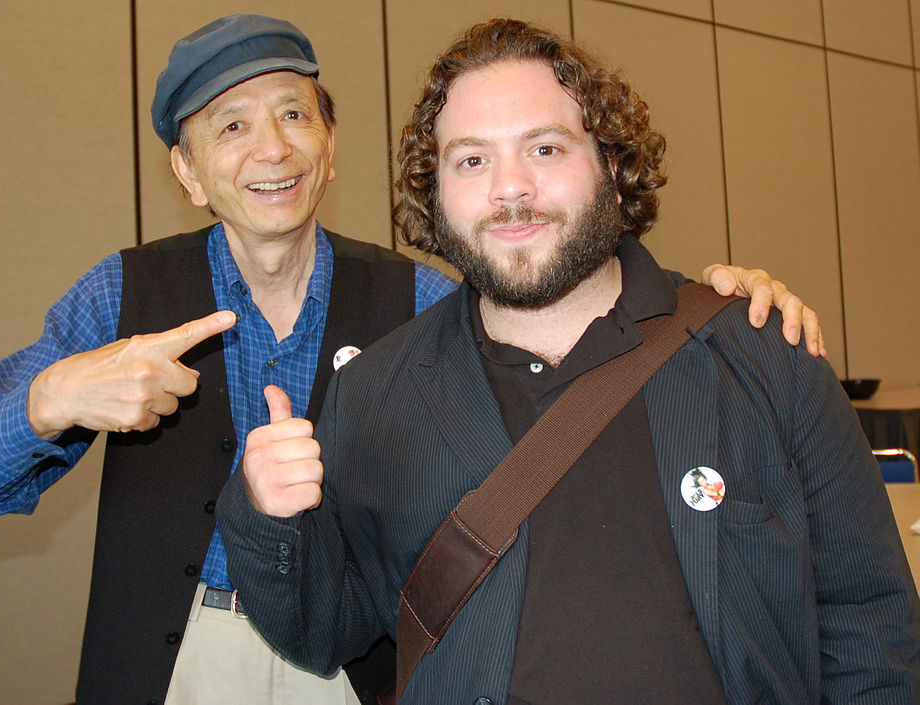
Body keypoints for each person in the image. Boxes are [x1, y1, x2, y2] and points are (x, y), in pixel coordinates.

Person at [0, 12, 817, 705]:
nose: (272, 148)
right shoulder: (119, 296)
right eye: (229, 128)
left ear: (330, 145)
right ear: (186, 173)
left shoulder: (420, 300)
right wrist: (50, 396)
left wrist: (715, 299)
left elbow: (571, 331)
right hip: (170, 653)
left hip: (357, 659)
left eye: (294, 114)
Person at [219, 18, 920, 705]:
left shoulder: (762, 352)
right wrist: (269, 519)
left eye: (546, 149)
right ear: (435, 194)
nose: (510, 187)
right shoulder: (375, 395)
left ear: (612, 167)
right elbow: (323, 633)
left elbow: (872, 627)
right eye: (471, 159)